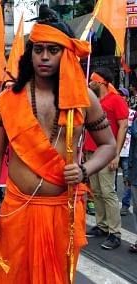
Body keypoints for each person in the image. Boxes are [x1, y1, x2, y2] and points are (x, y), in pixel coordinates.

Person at [0, 8, 116, 283]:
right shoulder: (9, 99)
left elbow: (109, 145)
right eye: (38, 49)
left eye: (53, 50)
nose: (44, 56)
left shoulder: (84, 98)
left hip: (62, 211)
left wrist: (85, 169)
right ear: (29, 54)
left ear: (66, 53)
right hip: (17, 209)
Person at [85, 68, 128, 250]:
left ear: (101, 82)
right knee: (96, 191)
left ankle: (114, 232)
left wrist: (116, 154)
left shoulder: (116, 100)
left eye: (93, 80)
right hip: (90, 152)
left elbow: (123, 127)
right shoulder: (92, 101)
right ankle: (102, 225)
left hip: (106, 154)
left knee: (108, 192)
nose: (90, 83)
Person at [117, 87, 135, 216]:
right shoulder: (112, 111)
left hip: (128, 151)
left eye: (122, 95)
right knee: (111, 182)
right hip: (114, 151)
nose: (120, 97)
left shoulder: (133, 114)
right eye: (118, 95)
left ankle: (125, 204)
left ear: (127, 98)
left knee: (127, 179)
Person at [127, 110, 137, 253]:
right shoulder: (136, 122)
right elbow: (132, 148)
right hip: (136, 172)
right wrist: (128, 173)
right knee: (136, 208)